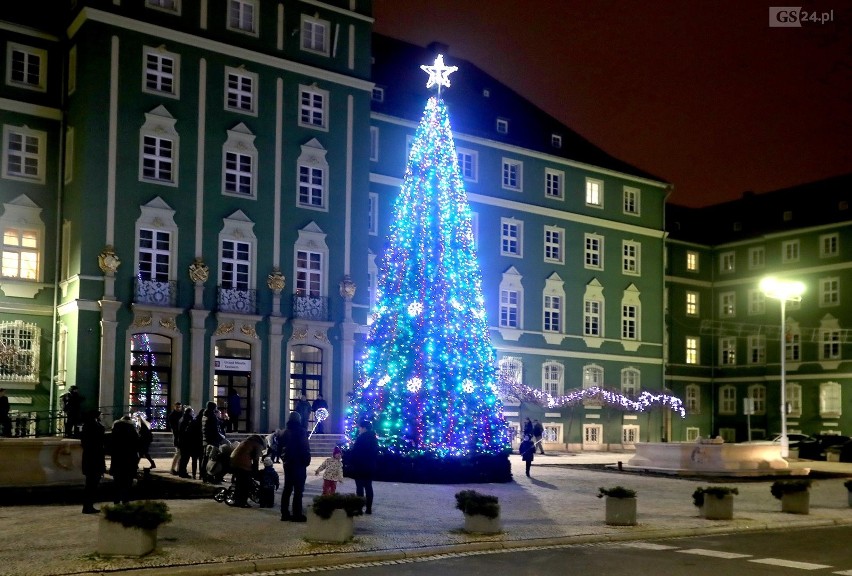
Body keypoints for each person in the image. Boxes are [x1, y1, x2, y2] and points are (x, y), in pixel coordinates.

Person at [279, 411, 311, 522]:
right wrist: (306, 461)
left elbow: (279, 449)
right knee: (298, 490)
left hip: (288, 464)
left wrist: (284, 460)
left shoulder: (284, 432)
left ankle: (284, 513)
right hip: (298, 464)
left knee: (287, 489)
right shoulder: (301, 432)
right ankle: (297, 514)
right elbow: (305, 448)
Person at [349, 419, 379, 514]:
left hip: (360, 466)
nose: (359, 429)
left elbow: (356, 452)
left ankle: (359, 508)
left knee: (360, 487)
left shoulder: (361, 438)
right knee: (368, 486)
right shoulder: (374, 438)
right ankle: (369, 508)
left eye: (360, 428)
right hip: (370, 466)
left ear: (364, 428)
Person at [109, 414, 140, 504]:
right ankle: (125, 500)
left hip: (117, 459)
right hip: (129, 459)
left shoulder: (115, 429)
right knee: (127, 481)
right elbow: (137, 444)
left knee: (117, 481)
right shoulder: (131, 429)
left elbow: (111, 445)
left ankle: (116, 500)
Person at [80, 409, 106, 513]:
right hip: (94, 459)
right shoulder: (93, 426)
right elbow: (98, 439)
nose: (102, 416)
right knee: (91, 484)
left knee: (91, 484)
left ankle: (88, 505)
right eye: (101, 415)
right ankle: (87, 506)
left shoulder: (89, 425)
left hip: (91, 458)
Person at [229, 434, 266, 508]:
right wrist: (255, 472)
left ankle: (237, 501)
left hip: (233, 460)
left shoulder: (246, 441)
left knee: (239, 483)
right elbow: (256, 459)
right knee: (245, 484)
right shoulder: (257, 444)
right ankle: (243, 502)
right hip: (243, 462)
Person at [200, 401, 227, 482]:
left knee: (205, 458)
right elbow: (215, 430)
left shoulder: (205, 415)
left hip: (205, 439)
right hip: (212, 441)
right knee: (212, 459)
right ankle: (210, 475)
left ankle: (204, 475)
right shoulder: (212, 416)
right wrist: (222, 439)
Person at [177, 406, 202, 479]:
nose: (193, 413)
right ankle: (183, 472)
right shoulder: (188, 420)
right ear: (190, 412)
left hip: (182, 441)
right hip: (186, 442)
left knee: (183, 458)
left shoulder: (183, 419)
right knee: (185, 458)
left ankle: (181, 472)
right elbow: (187, 432)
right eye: (192, 412)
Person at [167, 401, 183, 474]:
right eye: (177, 407)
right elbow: (173, 427)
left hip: (180, 436)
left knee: (180, 454)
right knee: (178, 453)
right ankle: (173, 469)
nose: (178, 408)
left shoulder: (181, 414)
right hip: (177, 436)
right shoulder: (172, 415)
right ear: (174, 407)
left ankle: (178, 469)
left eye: (179, 407)